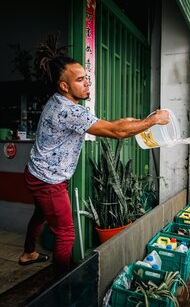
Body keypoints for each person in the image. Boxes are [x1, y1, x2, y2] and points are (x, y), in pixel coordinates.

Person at [17, 44, 170, 275]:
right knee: (66, 232)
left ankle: (28, 253)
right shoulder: (70, 111)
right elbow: (117, 131)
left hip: (36, 172)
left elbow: (114, 124)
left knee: (40, 214)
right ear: (64, 86)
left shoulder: (59, 101)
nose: (87, 82)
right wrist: (154, 120)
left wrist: (136, 121)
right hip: (49, 181)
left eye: (86, 77)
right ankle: (61, 288)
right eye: (80, 80)